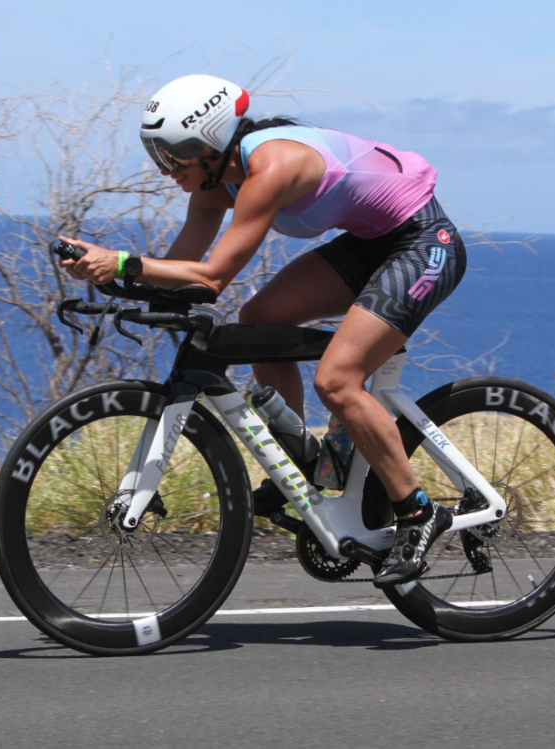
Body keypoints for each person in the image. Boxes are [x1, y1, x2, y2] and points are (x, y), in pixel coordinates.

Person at [59, 74, 467, 588]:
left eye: (172, 156)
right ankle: (299, 461)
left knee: (337, 380)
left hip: (423, 242)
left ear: (209, 143)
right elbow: (180, 270)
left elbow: (211, 276)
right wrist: (110, 278)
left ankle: (417, 512)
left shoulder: (272, 165)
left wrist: (121, 262)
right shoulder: (213, 184)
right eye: (157, 156)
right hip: (369, 245)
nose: (165, 171)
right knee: (258, 323)